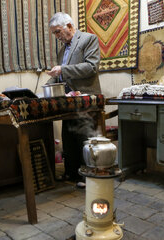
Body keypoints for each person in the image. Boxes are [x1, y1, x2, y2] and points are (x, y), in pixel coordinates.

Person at [46, 12, 101, 186]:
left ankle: (88, 175)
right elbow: (60, 75)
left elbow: (91, 67)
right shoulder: (62, 50)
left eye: (58, 31)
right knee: (68, 136)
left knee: (83, 137)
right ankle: (71, 173)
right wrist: (47, 85)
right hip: (68, 99)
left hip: (85, 97)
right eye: (54, 33)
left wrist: (62, 69)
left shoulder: (88, 39)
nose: (57, 36)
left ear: (69, 26)